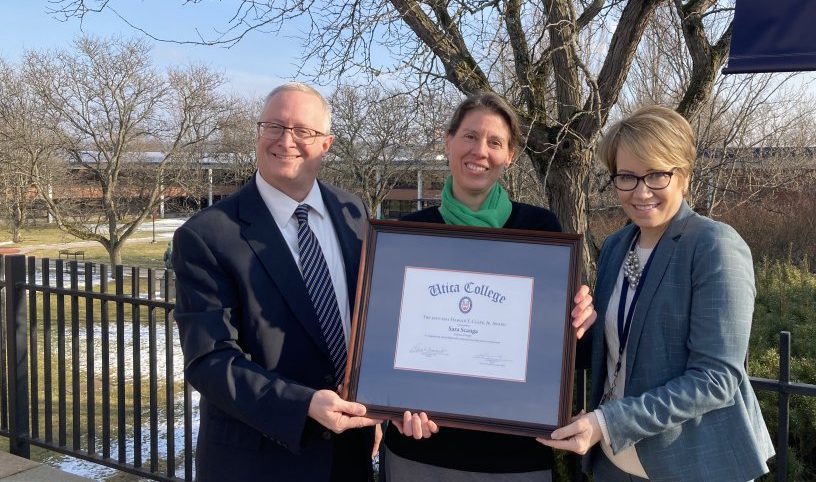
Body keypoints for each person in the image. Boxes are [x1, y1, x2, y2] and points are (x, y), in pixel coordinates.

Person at [539, 106, 775, 481]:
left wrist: (607, 421)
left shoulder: (714, 245)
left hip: (689, 465)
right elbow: (615, 350)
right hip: (613, 462)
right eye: (627, 177)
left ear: (683, 176)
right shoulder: (617, 245)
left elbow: (716, 378)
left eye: (656, 175)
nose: (641, 191)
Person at [383, 91, 597, 481]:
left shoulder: (541, 232)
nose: (480, 151)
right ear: (447, 142)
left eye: (495, 142)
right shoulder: (406, 237)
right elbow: (384, 345)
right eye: (469, 136)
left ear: (510, 155)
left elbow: (568, 354)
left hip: (514, 456)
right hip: (422, 449)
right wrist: (389, 404)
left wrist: (582, 319)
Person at [172, 82, 379, 481]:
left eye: (303, 130)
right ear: (258, 134)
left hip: (349, 456)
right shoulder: (207, 235)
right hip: (259, 460)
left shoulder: (353, 211)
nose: (286, 141)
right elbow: (209, 361)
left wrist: (383, 399)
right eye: (273, 126)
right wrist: (302, 404)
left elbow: (368, 318)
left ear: (326, 144)